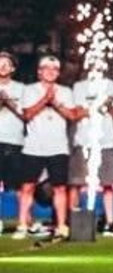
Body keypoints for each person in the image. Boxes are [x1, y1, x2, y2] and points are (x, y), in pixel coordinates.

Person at [14, 56, 83, 239]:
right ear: (39, 72)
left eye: (54, 69)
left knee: (60, 188)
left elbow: (72, 116)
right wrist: (45, 100)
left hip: (58, 146)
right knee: (27, 186)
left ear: (58, 73)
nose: (50, 71)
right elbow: (26, 114)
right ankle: (22, 224)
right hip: (34, 146)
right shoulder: (30, 90)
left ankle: (61, 225)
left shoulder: (65, 91)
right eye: (46, 68)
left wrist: (56, 103)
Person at [68, 70, 113, 233]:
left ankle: (110, 221)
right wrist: (99, 104)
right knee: (77, 183)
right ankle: (73, 219)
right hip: (84, 141)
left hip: (106, 141)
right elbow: (77, 113)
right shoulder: (79, 87)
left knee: (107, 183)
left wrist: (109, 106)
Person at [0, 52, 26, 233]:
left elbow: (26, 115)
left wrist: (8, 102)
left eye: (6, 64)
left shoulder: (22, 88)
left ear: (13, 68)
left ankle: (25, 222)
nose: (2, 67)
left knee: (19, 185)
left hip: (15, 140)